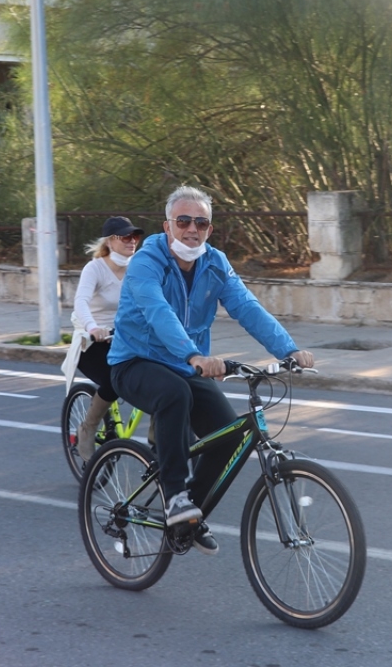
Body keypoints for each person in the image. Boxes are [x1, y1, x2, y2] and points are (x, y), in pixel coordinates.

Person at [109, 185, 314, 556]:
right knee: (174, 394)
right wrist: (193, 355)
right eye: (183, 221)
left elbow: (247, 307)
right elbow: (158, 312)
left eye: (200, 223)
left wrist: (289, 350)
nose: (192, 229)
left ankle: (189, 515)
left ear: (210, 229)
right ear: (167, 226)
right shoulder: (147, 261)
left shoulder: (215, 263)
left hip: (185, 364)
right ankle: (175, 497)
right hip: (135, 362)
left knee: (229, 436)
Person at [65, 216, 144, 465]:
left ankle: (160, 435)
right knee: (114, 379)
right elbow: (81, 302)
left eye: (135, 236)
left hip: (124, 339)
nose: (132, 241)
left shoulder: (137, 269)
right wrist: (93, 327)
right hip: (94, 342)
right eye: (125, 237)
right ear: (110, 241)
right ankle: (88, 427)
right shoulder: (95, 268)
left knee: (160, 372)